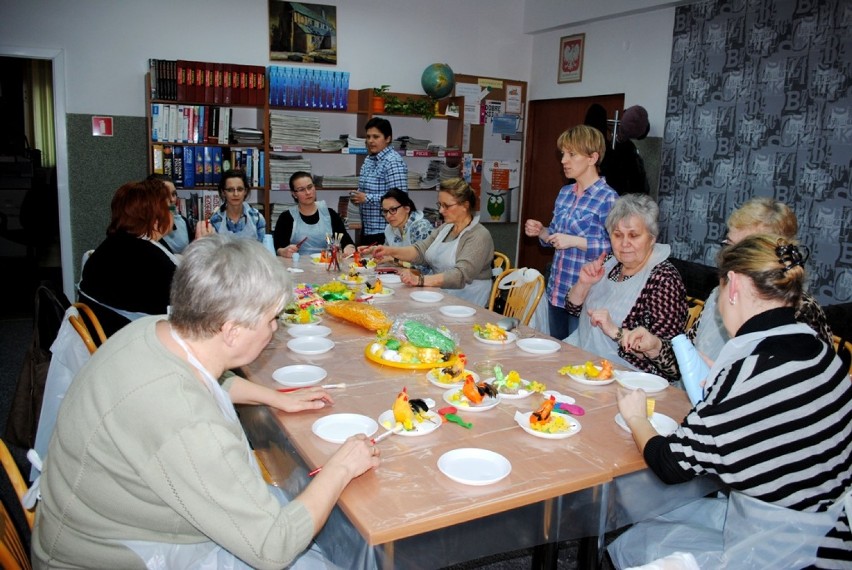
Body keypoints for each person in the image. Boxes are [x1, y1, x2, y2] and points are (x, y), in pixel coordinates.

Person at [32, 234, 380, 569]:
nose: (275, 329)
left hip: (98, 519)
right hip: (112, 556)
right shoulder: (185, 419)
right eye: (272, 319)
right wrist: (341, 466)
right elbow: (273, 548)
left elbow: (208, 378)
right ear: (232, 331)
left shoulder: (158, 329)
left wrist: (274, 398)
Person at [610, 235, 852, 568]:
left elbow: (670, 464)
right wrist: (723, 390)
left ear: (734, 285)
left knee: (637, 543)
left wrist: (637, 417)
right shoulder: (821, 352)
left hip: (783, 553)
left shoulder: (746, 373)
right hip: (830, 531)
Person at [622, 197, 833, 378]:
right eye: (728, 244)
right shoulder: (719, 293)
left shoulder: (799, 309)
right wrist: (656, 346)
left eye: (742, 248)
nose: (728, 255)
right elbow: (685, 366)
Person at [565, 193, 687, 382]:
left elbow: (671, 364)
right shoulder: (608, 263)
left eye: (634, 235)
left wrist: (616, 331)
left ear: (652, 238)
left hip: (630, 379)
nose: (624, 244)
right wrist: (583, 284)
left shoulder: (663, 279)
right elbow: (572, 308)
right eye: (617, 235)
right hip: (584, 360)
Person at [524, 124, 617, 340]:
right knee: (556, 351)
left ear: (592, 158)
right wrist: (542, 232)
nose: (564, 160)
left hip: (585, 297)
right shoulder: (565, 193)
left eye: (571, 154)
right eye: (563, 154)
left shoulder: (608, 198)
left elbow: (616, 250)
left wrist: (575, 241)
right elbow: (555, 238)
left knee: (578, 358)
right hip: (557, 290)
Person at [78, 178, 180, 337]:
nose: (174, 214)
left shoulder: (117, 243)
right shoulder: (147, 258)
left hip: (112, 338)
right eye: (170, 209)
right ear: (155, 217)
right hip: (134, 343)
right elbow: (189, 302)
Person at [372, 178, 494, 306]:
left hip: (468, 300)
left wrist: (420, 280)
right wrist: (388, 250)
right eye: (440, 205)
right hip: (442, 293)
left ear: (465, 205)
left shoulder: (479, 235)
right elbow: (420, 251)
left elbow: (460, 276)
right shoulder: (445, 228)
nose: (441, 210)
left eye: (446, 206)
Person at [350, 117, 408, 245]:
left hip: (385, 230)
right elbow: (366, 190)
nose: (371, 141)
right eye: (368, 137)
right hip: (368, 229)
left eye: (376, 137)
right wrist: (357, 195)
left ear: (387, 138)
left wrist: (367, 198)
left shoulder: (393, 161)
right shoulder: (369, 160)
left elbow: (400, 198)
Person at [273, 171, 355, 258]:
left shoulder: (330, 215)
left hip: (326, 265)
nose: (308, 192)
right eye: (301, 189)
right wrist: (283, 251)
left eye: (310, 187)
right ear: (294, 194)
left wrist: (349, 247)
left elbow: (346, 241)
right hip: (297, 267)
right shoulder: (286, 218)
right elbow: (278, 248)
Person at [208, 169, 266, 242]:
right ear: (223, 192)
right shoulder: (215, 220)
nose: (235, 194)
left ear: (245, 191)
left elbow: (262, 249)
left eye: (240, 189)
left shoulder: (257, 218)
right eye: (230, 190)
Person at [146, 173, 192, 254]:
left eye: (174, 194)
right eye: (166, 195)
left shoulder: (182, 221)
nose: (172, 199)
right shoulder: (143, 226)